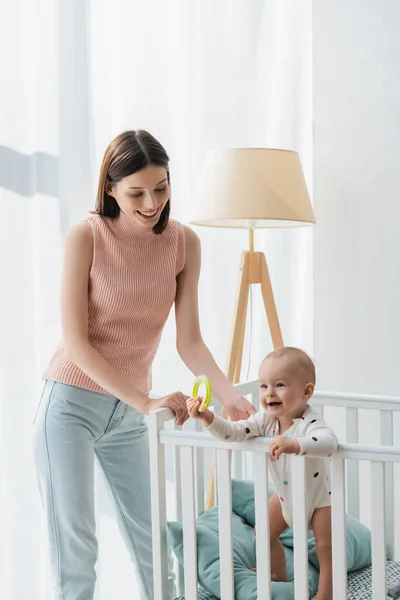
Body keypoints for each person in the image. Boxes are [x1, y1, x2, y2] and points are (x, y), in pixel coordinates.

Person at [32, 129, 256, 600]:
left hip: (128, 415)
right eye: (136, 192)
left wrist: (232, 394)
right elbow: (76, 344)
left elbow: (189, 340)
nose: (152, 201)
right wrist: (145, 399)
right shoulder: (86, 237)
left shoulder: (183, 244)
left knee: (154, 548)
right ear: (110, 188)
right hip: (71, 407)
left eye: (161, 186)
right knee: (78, 556)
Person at [187, 346, 337, 600]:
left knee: (326, 548)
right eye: (264, 386)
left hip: (318, 499)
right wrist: (207, 417)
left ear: (307, 391)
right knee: (263, 532)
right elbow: (233, 432)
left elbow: (329, 442)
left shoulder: (310, 423)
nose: (270, 393)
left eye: (279, 385)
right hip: (285, 497)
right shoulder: (264, 421)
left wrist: (295, 444)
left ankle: (327, 593)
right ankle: (277, 575)